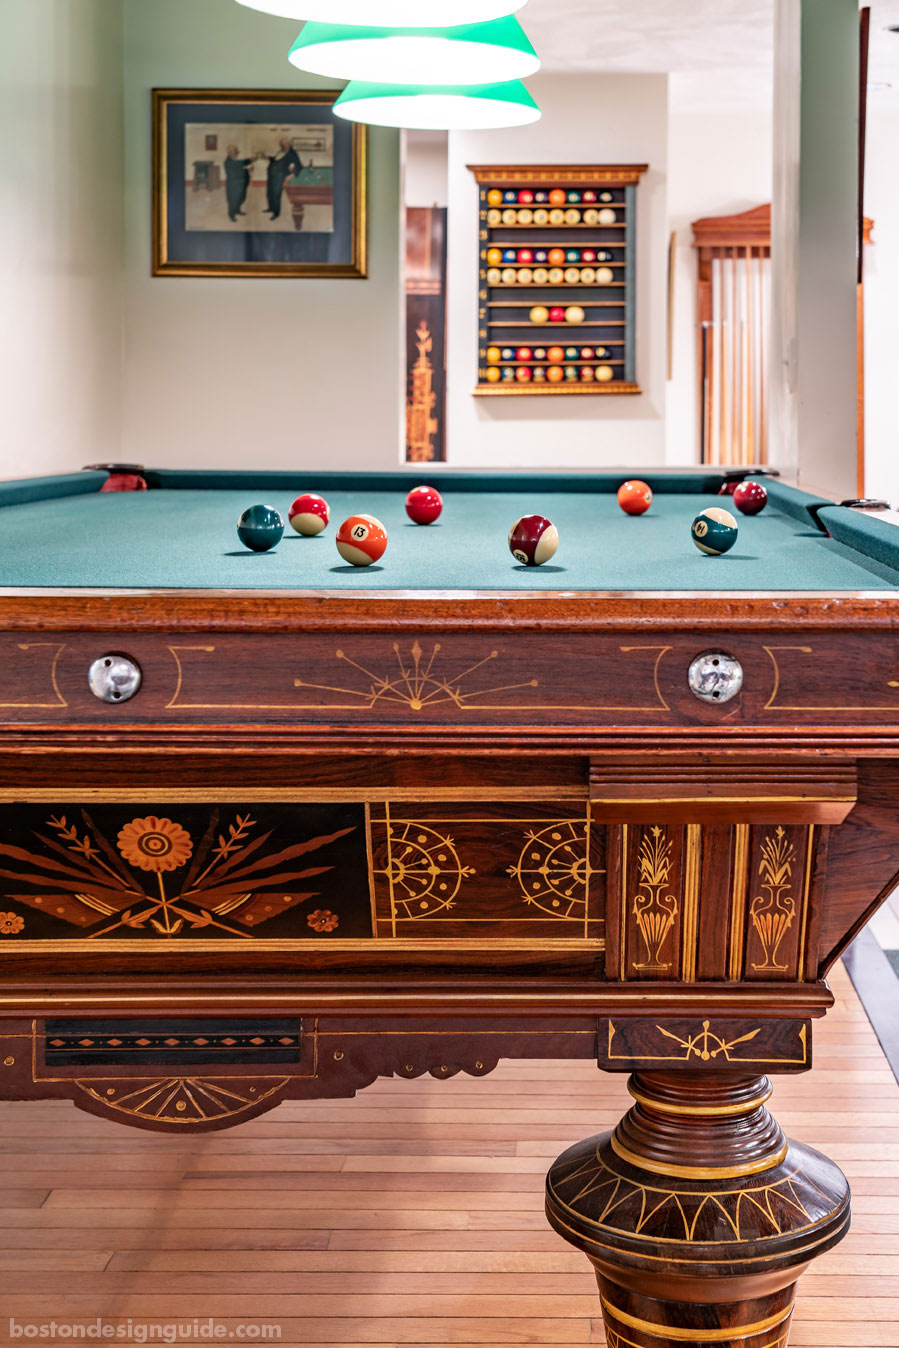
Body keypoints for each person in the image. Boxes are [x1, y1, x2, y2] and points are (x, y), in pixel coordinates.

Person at [264, 137, 302, 221]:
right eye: (280, 145)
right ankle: (271, 208)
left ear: (288, 145)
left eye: (283, 145)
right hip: (271, 175)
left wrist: (291, 175)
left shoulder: (292, 153)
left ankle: (276, 213)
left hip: (279, 177)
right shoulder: (281, 151)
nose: (281, 146)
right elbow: (276, 159)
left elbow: (299, 166)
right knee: (269, 193)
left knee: (276, 195)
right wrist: (267, 157)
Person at [223, 144, 252, 222]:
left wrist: (250, 161)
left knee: (241, 198)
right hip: (233, 185)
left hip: (240, 183)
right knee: (233, 200)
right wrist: (246, 170)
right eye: (234, 151)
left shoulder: (234, 159)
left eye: (236, 151)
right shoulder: (228, 162)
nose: (236, 153)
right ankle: (231, 214)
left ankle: (237, 210)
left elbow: (241, 163)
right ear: (229, 152)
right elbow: (234, 173)